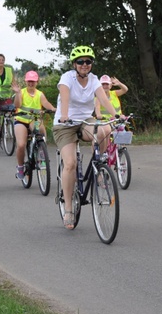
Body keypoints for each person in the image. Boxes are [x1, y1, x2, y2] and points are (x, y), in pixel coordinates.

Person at [52, 46, 122, 230]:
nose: (85, 65)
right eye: (81, 62)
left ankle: (99, 165)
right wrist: (64, 115)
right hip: (65, 123)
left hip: (85, 120)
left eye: (88, 61)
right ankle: (68, 208)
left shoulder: (94, 80)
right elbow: (64, 96)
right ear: (74, 64)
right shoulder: (67, 78)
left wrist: (116, 115)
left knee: (105, 128)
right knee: (70, 164)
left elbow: (104, 99)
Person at [13, 70, 56, 180]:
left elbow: (46, 103)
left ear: (37, 82)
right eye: (29, 81)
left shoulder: (39, 94)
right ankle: (20, 167)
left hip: (34, 119)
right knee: (21, 145)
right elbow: (17, 105)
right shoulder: (21, 92)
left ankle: (42, 152)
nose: (31, 84)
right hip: (21, 120)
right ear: (25, 81)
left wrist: (52, 108)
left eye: (33, 81)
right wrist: (17, 93)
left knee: (40, 130)